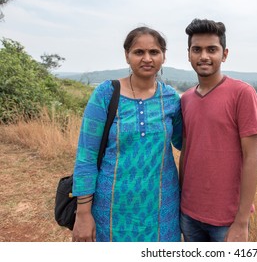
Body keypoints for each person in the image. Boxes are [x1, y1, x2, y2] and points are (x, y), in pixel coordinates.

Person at [71, 26, 183, 242]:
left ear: (163, 56)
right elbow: (86, 156)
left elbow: (186, 143)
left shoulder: (170, 99)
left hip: (162, 208)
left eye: (154, 52)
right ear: (127, 56)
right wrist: (83, 213)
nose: (147, 59)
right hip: (111, 209)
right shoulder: (106, 94)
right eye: (139, 52)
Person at [179, 18, 257, 242]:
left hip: (228, 219)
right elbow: (186, 153)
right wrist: (180, 204)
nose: (204, 56)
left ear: (224, 54)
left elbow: (252, 157)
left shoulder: (242, 93)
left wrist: (242, 221)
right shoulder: (186, 99)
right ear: (188, 54)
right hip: (189, 213)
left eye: (212, 49)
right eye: (197, 49)